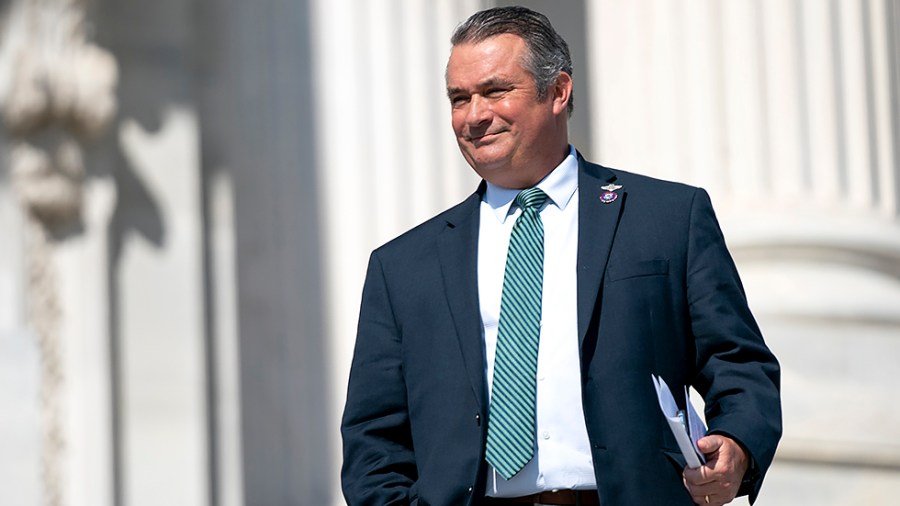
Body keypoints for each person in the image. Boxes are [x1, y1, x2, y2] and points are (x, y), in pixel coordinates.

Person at [341, 6, 781, 506]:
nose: (474, 115)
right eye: (459, 98)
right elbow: (373, 439)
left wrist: (737, 446)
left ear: (558, 91)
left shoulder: (667, 219)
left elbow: (739, 363)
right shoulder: (402, 266)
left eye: (495, 90)